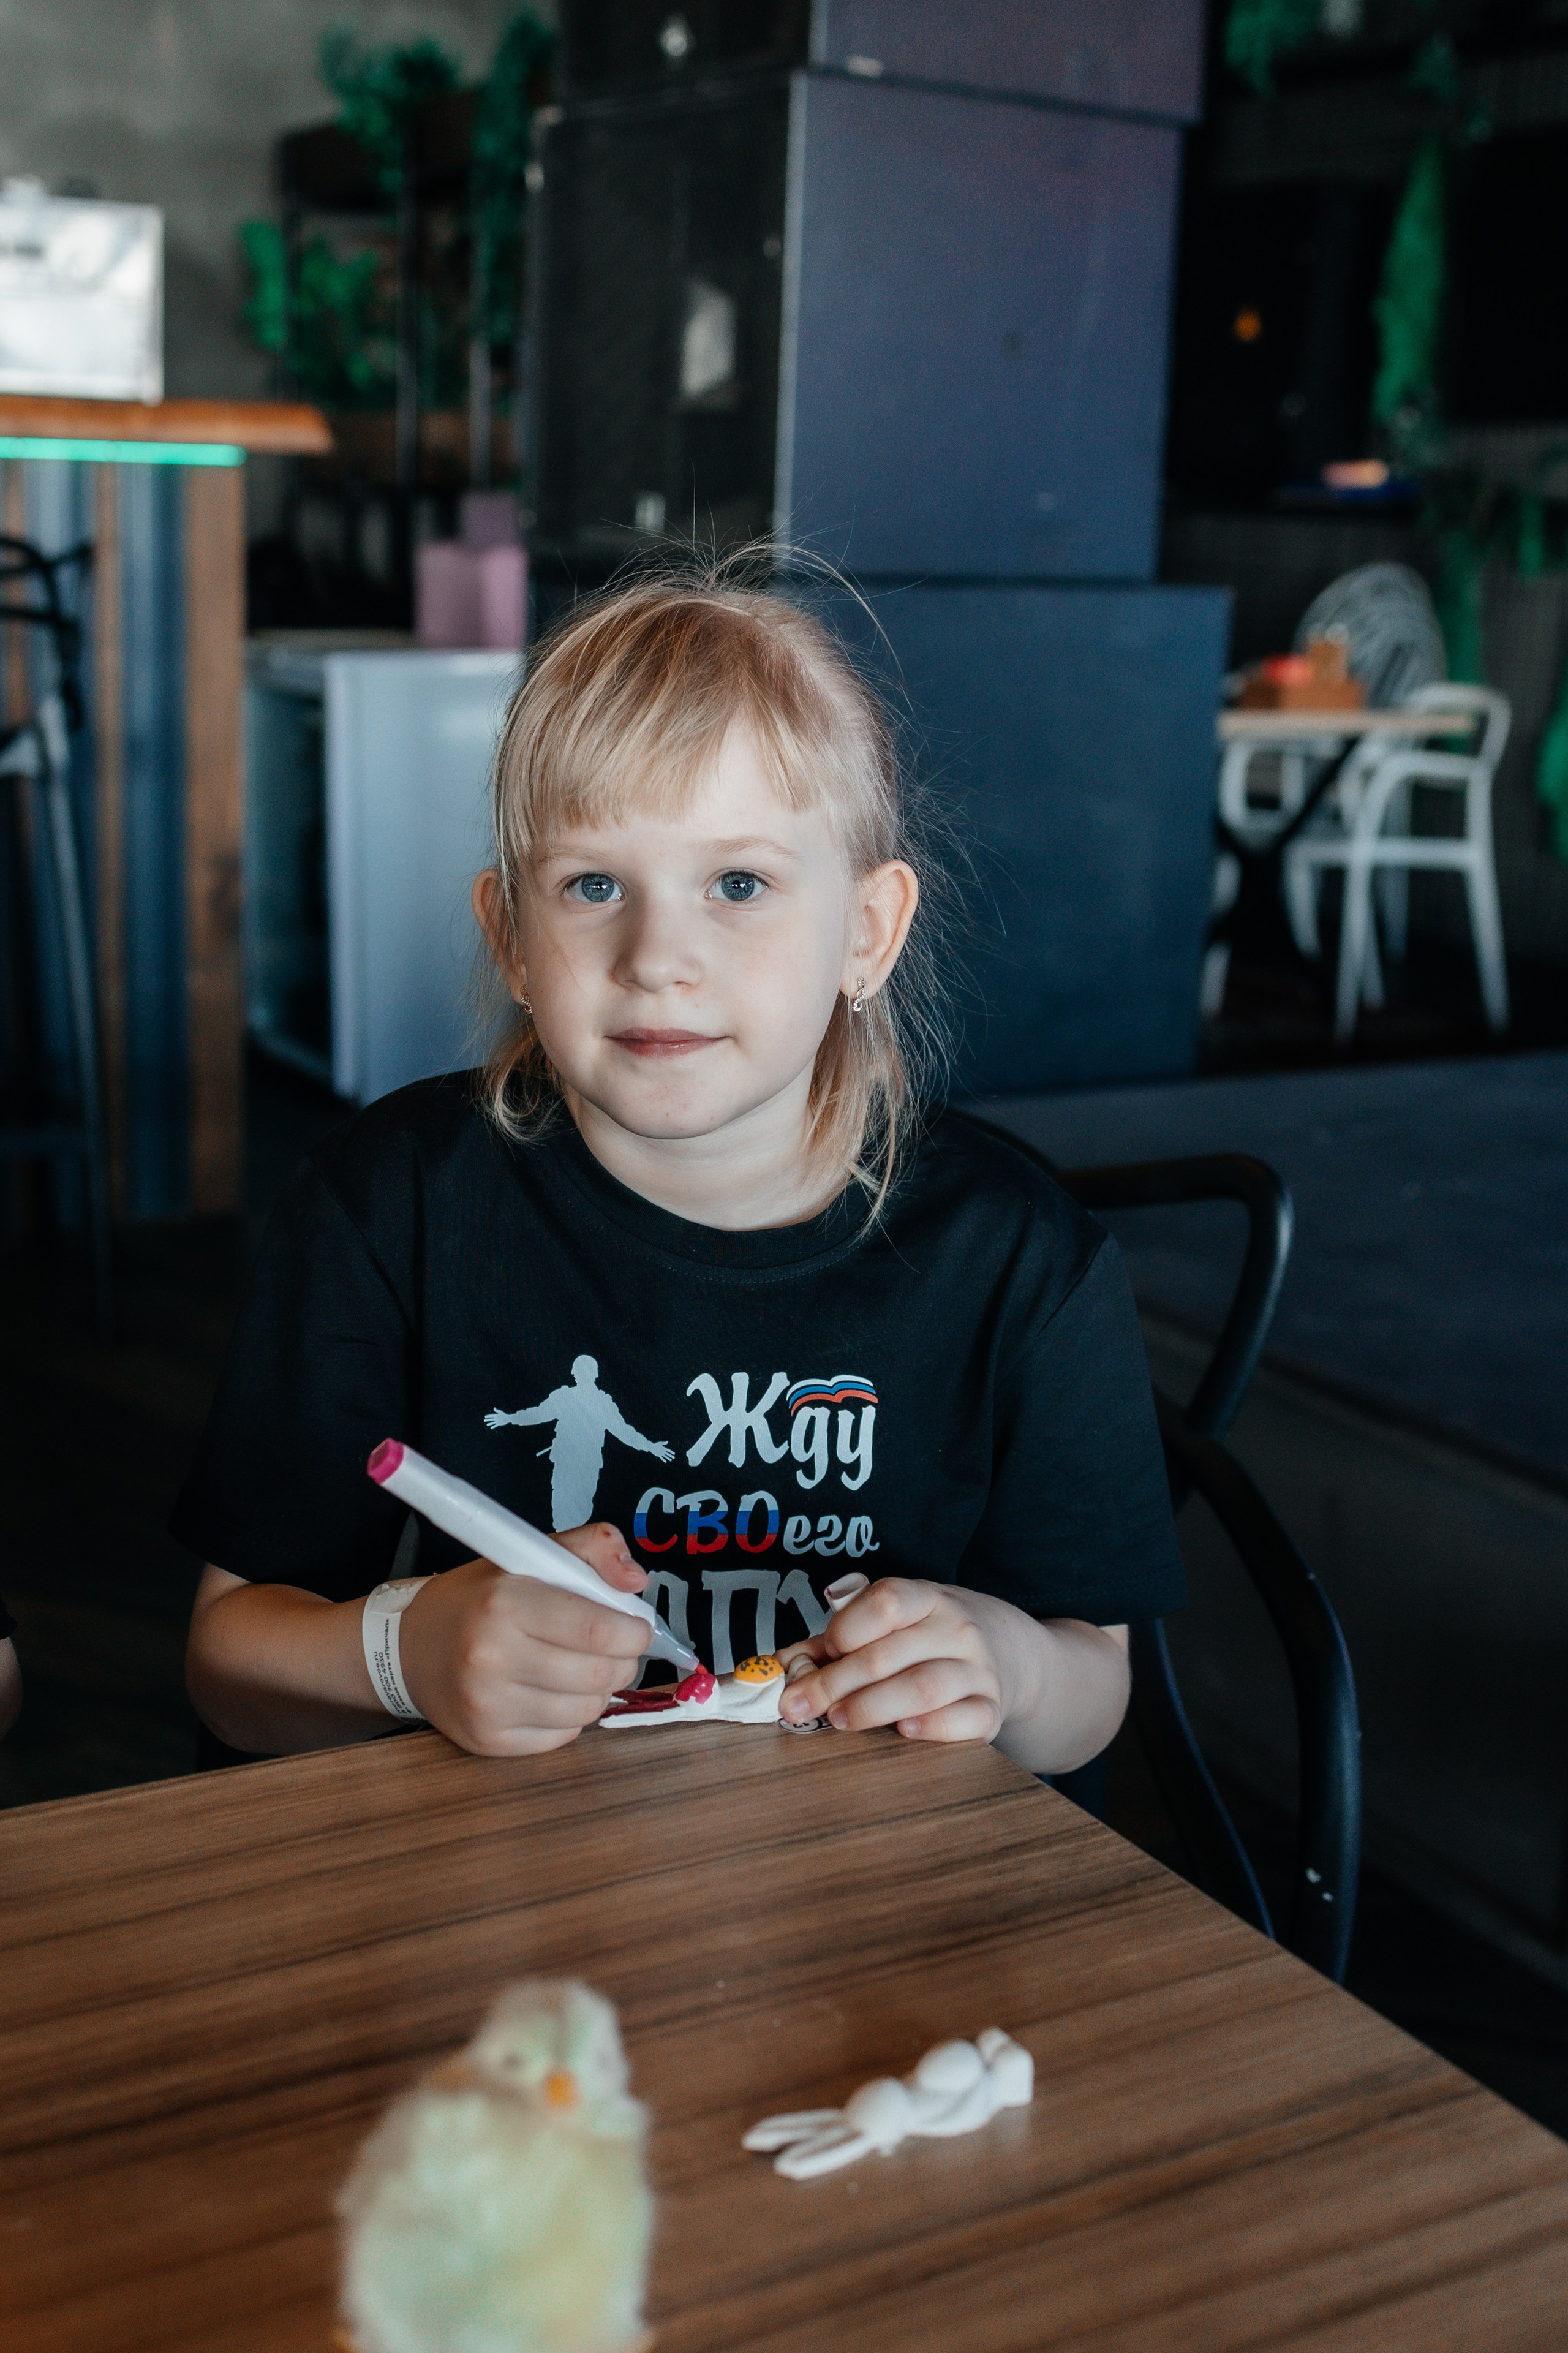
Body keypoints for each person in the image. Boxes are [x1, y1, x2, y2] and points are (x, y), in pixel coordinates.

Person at [178, 569, 1182, 1770]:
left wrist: (1004, 1662)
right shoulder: (387, 1203)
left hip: (873, 1894)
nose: (659, 957)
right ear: (509, 934)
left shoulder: (1022, 1259)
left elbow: (1090, 1689)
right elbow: (228, 1665)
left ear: (865, 931)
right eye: (593, 885)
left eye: (739, 884)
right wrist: (406, 1651)